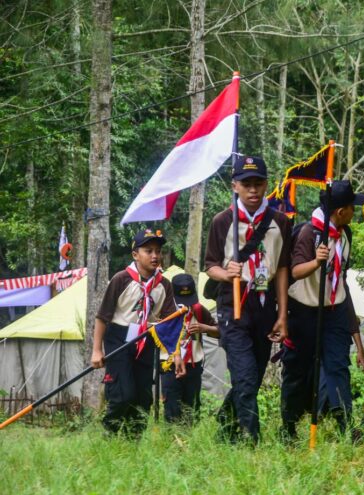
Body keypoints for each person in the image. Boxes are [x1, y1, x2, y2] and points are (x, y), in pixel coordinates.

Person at [204, 155, 291, 444]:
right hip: (233, 305)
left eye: (258, 183)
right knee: (243, 373)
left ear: (267, 184)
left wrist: (282, 314)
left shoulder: (280, 221)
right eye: (246, 184)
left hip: (266, 305)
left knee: (253, 374)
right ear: (235, 186)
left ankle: (225, 426)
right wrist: (226, 273)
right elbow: (210, 265)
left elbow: (281, 269)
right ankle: (251, 439)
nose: (253, 190)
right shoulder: (222, 221)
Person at [280, 180, 364, 440]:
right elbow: (295, 271)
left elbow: (341, 280)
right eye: (353, 208)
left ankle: (345, 425)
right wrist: (316, 261)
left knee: (338, 365)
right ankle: (289, 427)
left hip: (335, 308)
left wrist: (357, 337)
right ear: (340, 211)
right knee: (297, 370)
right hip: (304, 310)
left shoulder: (345, 235)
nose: (356, 212)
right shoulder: (309, 233)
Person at [91, 228, 178, 436]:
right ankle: (110, 435)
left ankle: (133, 442)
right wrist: (96, 350)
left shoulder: (164, 285)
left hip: (146, 339)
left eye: (158, 251)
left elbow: (169, 321)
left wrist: (172, 346)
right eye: (148, 251)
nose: (155, 256)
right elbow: (103, 316)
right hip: (119, 338)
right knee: (123, 393)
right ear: (135, 254)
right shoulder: (121, 279)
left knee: (143, 397)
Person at [160, 273, 218, 424]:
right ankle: (173, 442)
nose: (186, 305)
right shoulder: (164, 310)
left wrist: (204, 327)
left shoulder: (198, 310)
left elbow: (220, 332)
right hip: (170, 365)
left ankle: (189, 443)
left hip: (194, 366)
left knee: (192, 409)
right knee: (172, 409)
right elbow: (156, 335)